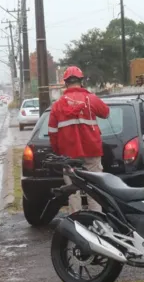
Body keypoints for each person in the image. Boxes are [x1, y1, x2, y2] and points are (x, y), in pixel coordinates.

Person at [47, 66, 110, 213]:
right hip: (92, 151)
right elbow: (106, 113)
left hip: (69, 154)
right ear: (81, 81)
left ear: (66, 83)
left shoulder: (57, 105)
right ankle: (96, 221)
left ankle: (76, 225)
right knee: (94, 189)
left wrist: (59, 152)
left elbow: (52, 133)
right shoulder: (91, 99)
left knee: (72, 192)